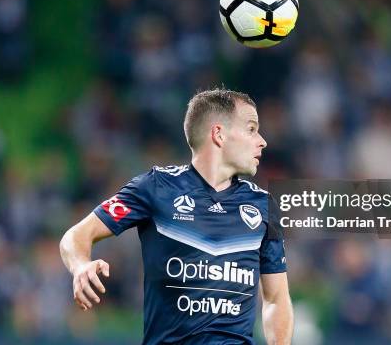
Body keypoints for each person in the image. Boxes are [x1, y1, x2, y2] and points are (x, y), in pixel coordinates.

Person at [59, 89, 293, 344]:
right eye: (251, 129)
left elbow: (276, 299)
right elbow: (77, 235)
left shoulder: (263, 206)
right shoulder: (156, 187)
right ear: (219, 134)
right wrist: (80, 265)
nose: (262, 141)